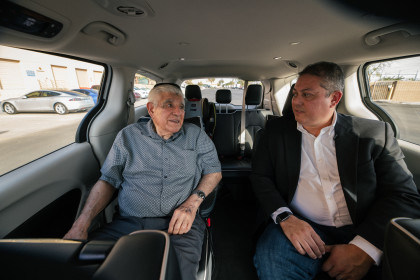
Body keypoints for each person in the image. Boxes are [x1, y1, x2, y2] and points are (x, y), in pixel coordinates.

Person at [250, 61, 420, 280]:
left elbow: (404, 195)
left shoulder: (373, 134)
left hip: (364, 226)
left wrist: (364, 248)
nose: (297, 101)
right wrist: (286, 218)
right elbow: (261, 178)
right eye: (295, 94)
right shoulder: (276, 132)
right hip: (301, 223)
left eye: (307, 95)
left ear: (334, 98)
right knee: (272, 256)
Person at [64, 83, 222, 280]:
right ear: (151, 109)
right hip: (128, 223)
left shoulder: (195, 135)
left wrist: (192, 203)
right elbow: (108, 180)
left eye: (181, 106)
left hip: (178, 225)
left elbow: (214, 172)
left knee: (176, 272)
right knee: (84, 265)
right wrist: (82, 223)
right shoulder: (128, 136)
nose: (178, 112)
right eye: (169, 105)